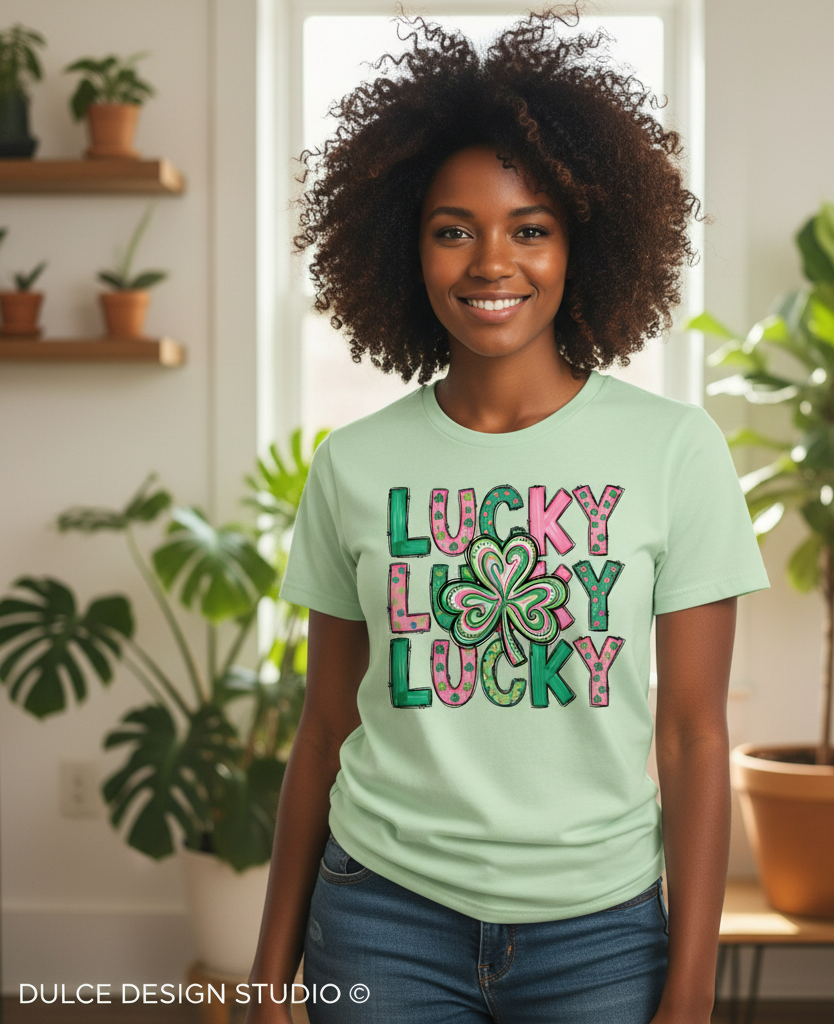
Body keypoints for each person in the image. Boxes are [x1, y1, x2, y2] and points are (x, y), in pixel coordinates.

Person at [246, 9, 769, 1024]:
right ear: (408, 247)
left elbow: (697, 736)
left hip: (601, 932)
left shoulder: (673, 451)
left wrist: (693, 988)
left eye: (529, 228)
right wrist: (267, 975)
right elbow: (322, 729)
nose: (492, 262)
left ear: (583, 243)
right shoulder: (353, 466)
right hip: (382, 919)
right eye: (454, 230)